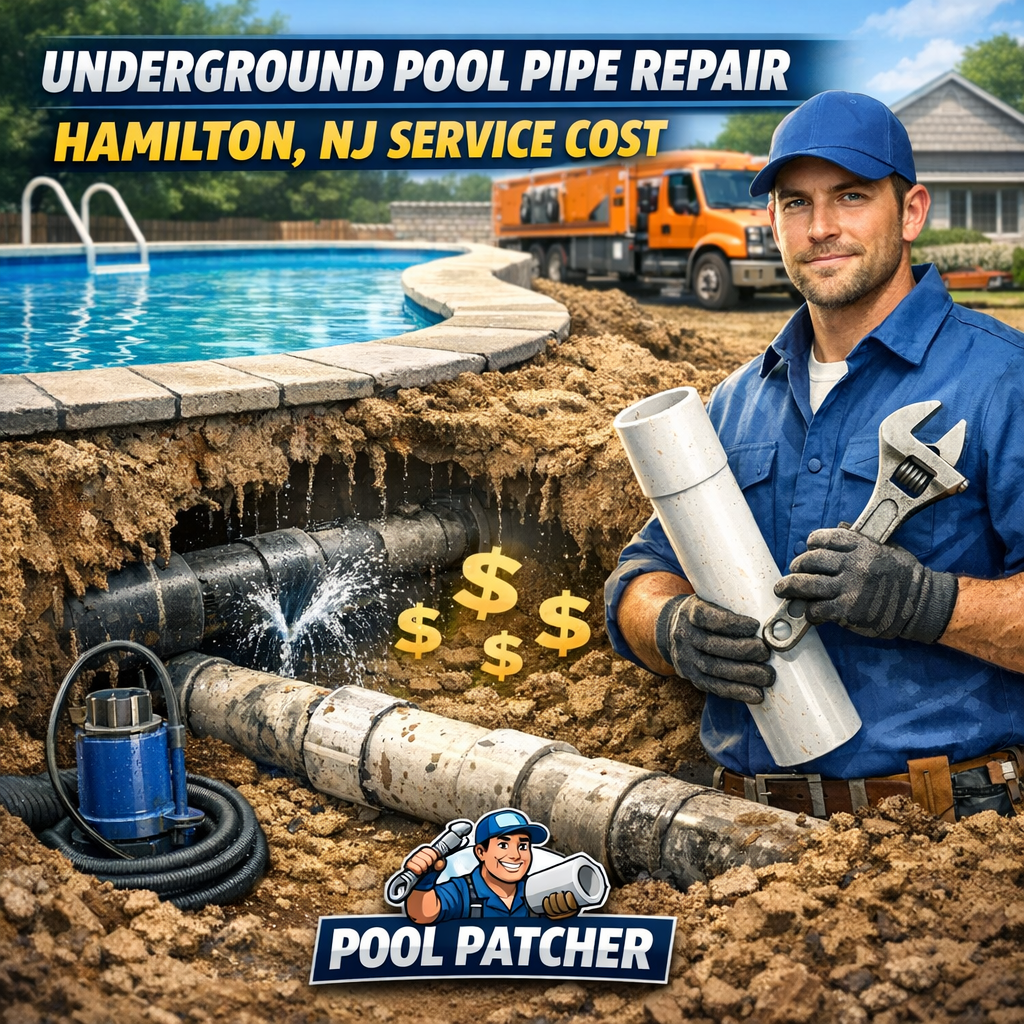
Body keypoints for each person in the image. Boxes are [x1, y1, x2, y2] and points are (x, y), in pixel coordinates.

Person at [605, 90, 1024, 822]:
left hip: (940, 842)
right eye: (795, 203)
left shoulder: (1003, 381)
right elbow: (641, 576)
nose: (822, 227)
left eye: (851, 196)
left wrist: (931, 605)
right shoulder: (735, 401)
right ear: (772, 222)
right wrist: (669, 627)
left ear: (912, 211)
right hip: (737, 837)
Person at [402, 809, 579, 924]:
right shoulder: (463, 891)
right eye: (503, 845)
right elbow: (423, 914)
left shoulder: (536, 890)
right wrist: (423, 882)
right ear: (481, 852)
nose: (515, 855)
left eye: (523, 846)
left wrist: (562, 918)